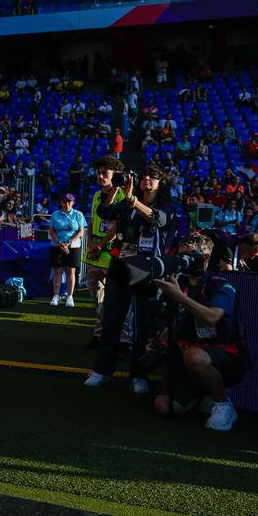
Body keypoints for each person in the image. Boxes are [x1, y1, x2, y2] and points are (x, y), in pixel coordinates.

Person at [86, 164, 176, 394]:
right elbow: (103, 213)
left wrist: (133, 200)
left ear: (161, 182)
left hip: (149, 268)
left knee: (144, 324)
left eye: (153, 176)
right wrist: (116, 191)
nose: (146, 179)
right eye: (144, 175)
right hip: (122, 264)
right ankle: (103, 370)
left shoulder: (167, 205)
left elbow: (158, 219)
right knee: (111, 318)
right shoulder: (127, 202)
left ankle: (139, 374)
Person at [152, 233, 247, 431]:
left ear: (205, 257)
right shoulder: (177, 281)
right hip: (184, 353)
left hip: (221, 354)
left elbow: (212, 317)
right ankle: (202, 392)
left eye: (189, 256)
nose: (183, 261)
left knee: (194, 357)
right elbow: (165, 318)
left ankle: (223, 404)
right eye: (181, 255)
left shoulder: (220, 284)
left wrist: (179, 297)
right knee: (163, 407)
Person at [82, 155, 126, 349]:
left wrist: (100, 246)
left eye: (105, 173)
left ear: (114, 174)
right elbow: (92, 220)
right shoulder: (96, 195)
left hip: (112, 254)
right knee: (98, 301)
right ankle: (99, 335)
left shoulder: (123, 195)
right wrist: (91, 242)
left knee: (117, 300)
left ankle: (123, 340)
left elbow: (117, 226)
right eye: (99, 173)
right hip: (94, 255)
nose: (101, 177)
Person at [48, 193, 87, 307]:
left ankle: (70, 296)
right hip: (57, 245)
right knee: (57, 271)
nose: (67, 203)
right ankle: (56, 295)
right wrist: (60, 244)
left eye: (69, 201)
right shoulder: (55, 215)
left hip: (73, 246)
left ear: (73, 202)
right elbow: (51, 231)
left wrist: (68, 243)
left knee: (71, 271)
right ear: (61, 202)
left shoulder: (78, 215)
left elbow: (80, 231)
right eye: (64, 201)